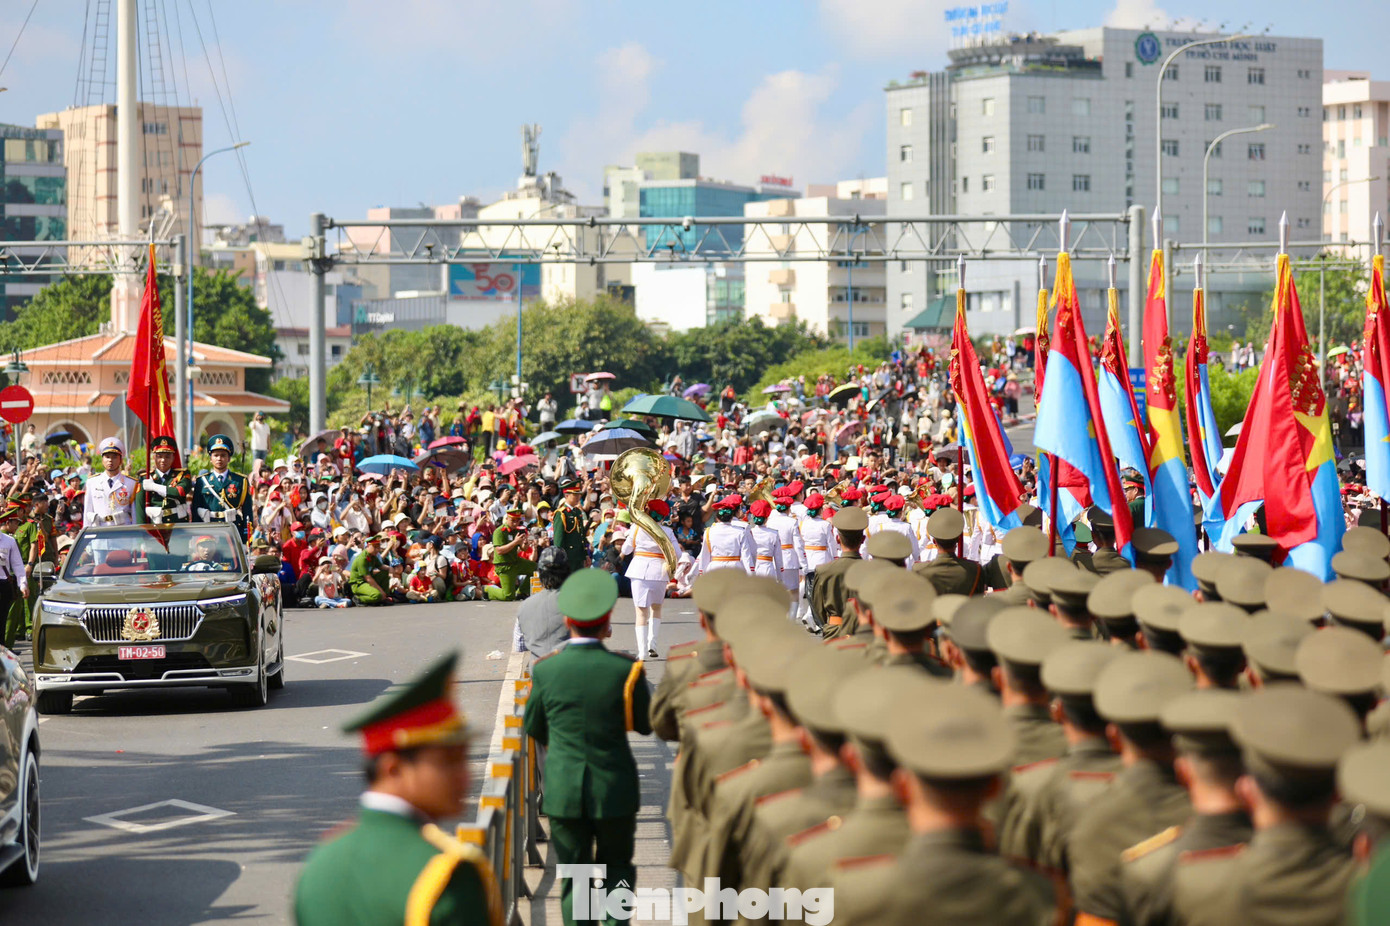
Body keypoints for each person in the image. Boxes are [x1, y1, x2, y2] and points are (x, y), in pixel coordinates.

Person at [293, 651, 502, 926]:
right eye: (449, 762)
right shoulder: (448, 874)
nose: (465, 776)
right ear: (393, 769)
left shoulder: (320, 865)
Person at [522, 569, 652, 926]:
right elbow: (645, 724)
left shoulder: (545, 671)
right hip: (614, 787)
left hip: (564, 788)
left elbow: (534, 728)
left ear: (567, 621)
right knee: (618, 869)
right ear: (607, 622)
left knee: (576, 875)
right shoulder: (626, 670)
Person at [621, 500, 678, 659]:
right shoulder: (667, 531)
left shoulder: (637, 528)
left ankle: (642, 652)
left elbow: (626, 549)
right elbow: (678, 554)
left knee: (641, 612)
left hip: (639, 570)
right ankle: (653, 644)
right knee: (656, 608)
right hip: (659, 571)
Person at [514, 547, 572, 659]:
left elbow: (519, 645)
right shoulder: (580, 602)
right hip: (571, 666)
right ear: (568, 572)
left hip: (538, 666)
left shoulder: (525, 605)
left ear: (540, 572)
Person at [192, 435, 253, 536]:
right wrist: (197, 533)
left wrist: (246, 534)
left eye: (223, 455)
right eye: (216, 455)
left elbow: (247, 511)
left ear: (229, 458)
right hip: (209, 529)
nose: (219, 458)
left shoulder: (240, 481)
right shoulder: (202, 481)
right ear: (211, 458)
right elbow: (196, 509)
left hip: (232, 529)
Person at [136, 435, 193, 524]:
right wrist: (142, 531)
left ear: (173, 457)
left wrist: (154, 487)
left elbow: (180, 492)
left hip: (178, 524)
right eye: (159, 456)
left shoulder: (182, 475)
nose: (163, 460)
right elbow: (140, 509)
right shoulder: (146, 478)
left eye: (167, 456)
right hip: (155, 524)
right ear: (154, 457)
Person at [83, 436, 138, 526]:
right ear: (102, 460)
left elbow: (134, 514)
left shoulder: (131, 483)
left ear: (121, 460)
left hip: (122, 530)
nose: (110, 460)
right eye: (107, 457)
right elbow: (87, 511)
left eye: (114, 457)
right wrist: (86, 531)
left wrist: (135, 532)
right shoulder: (92, 482)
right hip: (99, 528)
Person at [487, 507, 535, 601]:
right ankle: (488, 590)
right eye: (513, 520)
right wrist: (515, 542)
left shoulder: (516, 531)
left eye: (518, 520)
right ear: (507, 519)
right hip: (504, 565)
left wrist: (525, 543)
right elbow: (499, 551)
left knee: (536, 569)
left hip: (515, 562)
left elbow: (523, 549)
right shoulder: (499, 532)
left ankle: (522, 592)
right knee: (508, 596)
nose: (515, 523)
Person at [350, 534, 392, 606]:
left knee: (384, 572)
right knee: (377, 595)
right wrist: (381, 591)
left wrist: (390, 568)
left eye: (378, 547)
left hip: (367, 582)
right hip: (359, 584)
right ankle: (358, 598)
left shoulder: (373, 556)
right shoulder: (362, 559)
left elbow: (381, 567)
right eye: (375, 547)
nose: (377, 550)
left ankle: (384, 597)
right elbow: (368, 578)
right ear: (368, 546)